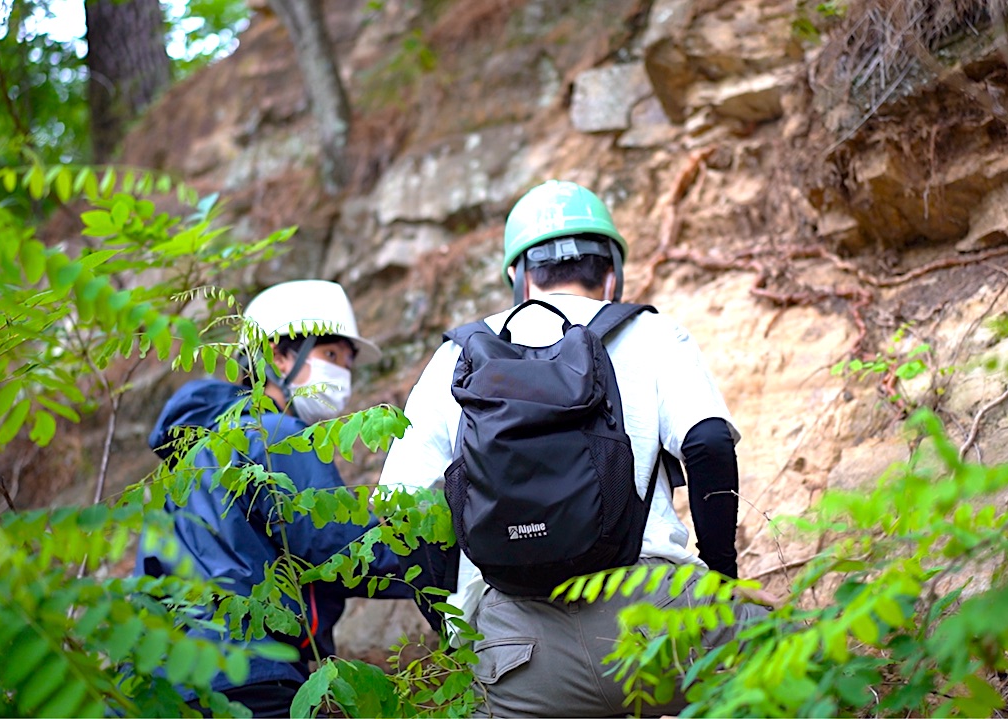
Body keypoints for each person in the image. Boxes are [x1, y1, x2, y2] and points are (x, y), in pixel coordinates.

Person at [380, 180, 771, 717]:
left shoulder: (455, 359)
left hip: (517, 650)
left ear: (519, 278)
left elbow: (397, 505)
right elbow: (706, 442)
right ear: (612, 273)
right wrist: (722, 583)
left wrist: (453, 627)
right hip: (657, 622)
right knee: (818, 666)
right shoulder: (651, 334)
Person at [138, 279, 410, 717]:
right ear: (278, 356)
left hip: (166, 685)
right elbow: (339, 547)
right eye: (331, 355)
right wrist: (446, 557)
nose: (342, 374)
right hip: (252, 680)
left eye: (347, 362)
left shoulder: (185, 463)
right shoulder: (278, 437)